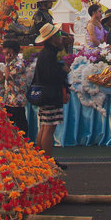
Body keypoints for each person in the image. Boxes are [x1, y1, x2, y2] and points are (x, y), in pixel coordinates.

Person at [31, 23, 68, 166]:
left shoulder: (47, 53)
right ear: (52, 38)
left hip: (45, 95)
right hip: (50, 95)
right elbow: (50, 76)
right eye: (58, 35)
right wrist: (63, 71)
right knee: (49, 127)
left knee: (45, 126)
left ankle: (42, 160)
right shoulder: (49, 55)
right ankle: (47, 162)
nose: (60, 37)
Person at [0, 39, 32, 140]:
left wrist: (7, 63)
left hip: (17, 98)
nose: (3, 51)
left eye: (5, 49)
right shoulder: (12, 63)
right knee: (10, 120)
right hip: (10, 97)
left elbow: (8, 77)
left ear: (11, 51)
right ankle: (12, 140)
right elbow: (4, 77)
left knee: (19, 120)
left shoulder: (18, 64)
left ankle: (23, 140)